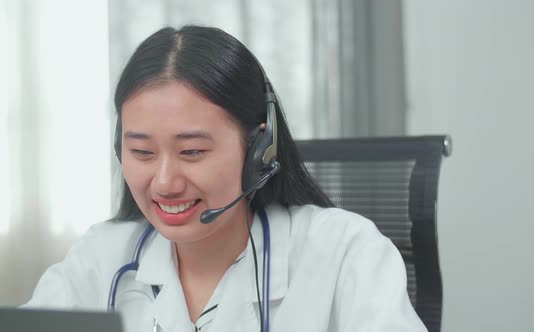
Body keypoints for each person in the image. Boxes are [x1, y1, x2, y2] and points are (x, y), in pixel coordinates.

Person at [24, 25, 427, 332]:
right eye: (142, 152)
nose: (164, 182)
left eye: (192, 152)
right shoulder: (101, 257)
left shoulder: (346, 253)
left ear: (258, 150)